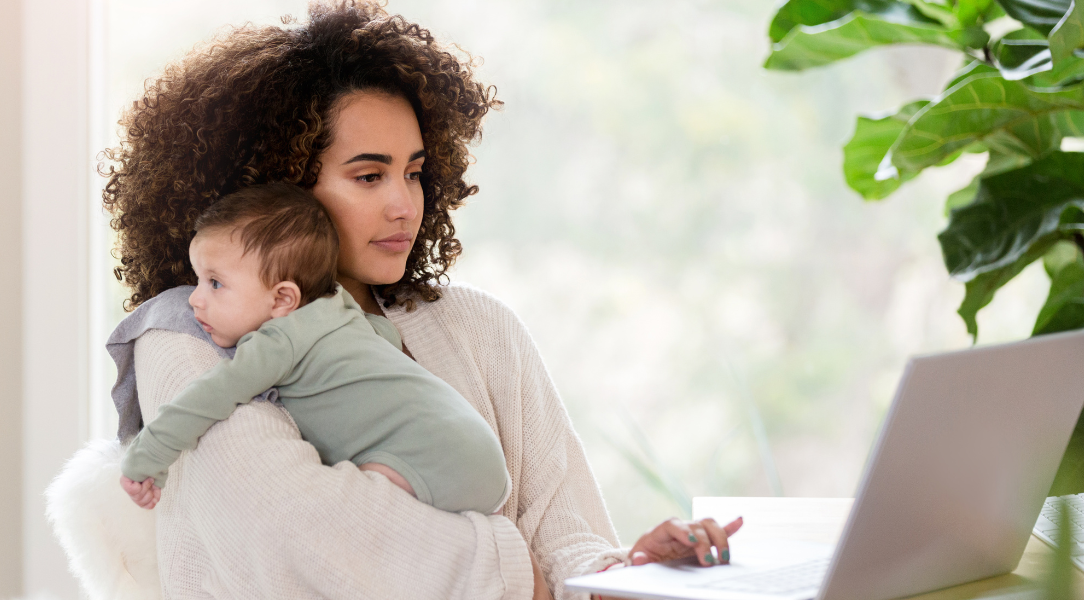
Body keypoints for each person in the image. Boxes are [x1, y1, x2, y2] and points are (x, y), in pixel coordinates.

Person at [101, 1, 741, 598]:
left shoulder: (479, 326)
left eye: (413, 172)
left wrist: (628, 574)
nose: (404, 204)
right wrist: (523, 577)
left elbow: (565, 539)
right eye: (368, 176)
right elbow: (305, 534)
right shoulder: (191, 331)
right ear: (279, 189)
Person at [116, 182, 510, 515]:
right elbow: (384, 339)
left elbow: (206, 398)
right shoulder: (340, 306)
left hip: (427, 463)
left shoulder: (278, 341)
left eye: (214, 283)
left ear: (283, 298)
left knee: (353, 513)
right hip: (478, 448)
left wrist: (146, 456)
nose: (194, 300)